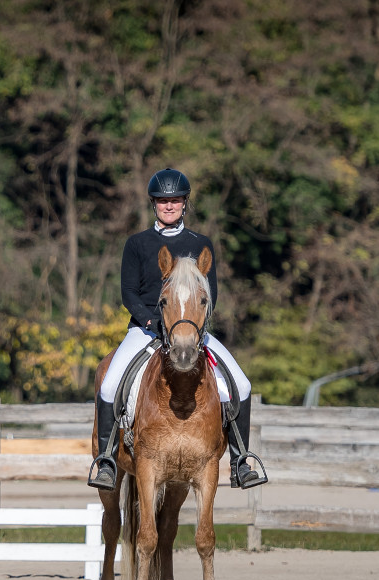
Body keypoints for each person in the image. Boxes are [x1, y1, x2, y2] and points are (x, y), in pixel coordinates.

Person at [87, 168, 268, 491]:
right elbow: (129, 293)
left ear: (185, 203)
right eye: (162, 201)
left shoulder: (200, 244)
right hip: (146, 329)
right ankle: (107, 461)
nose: (168, 206)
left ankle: (240, 461)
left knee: (241, 384)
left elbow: (210, 295)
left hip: (191, 331)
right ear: (153, 204)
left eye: (175, 200)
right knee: (110, 384)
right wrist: (151, 321)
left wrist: (191, 327)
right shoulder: (137, 243)